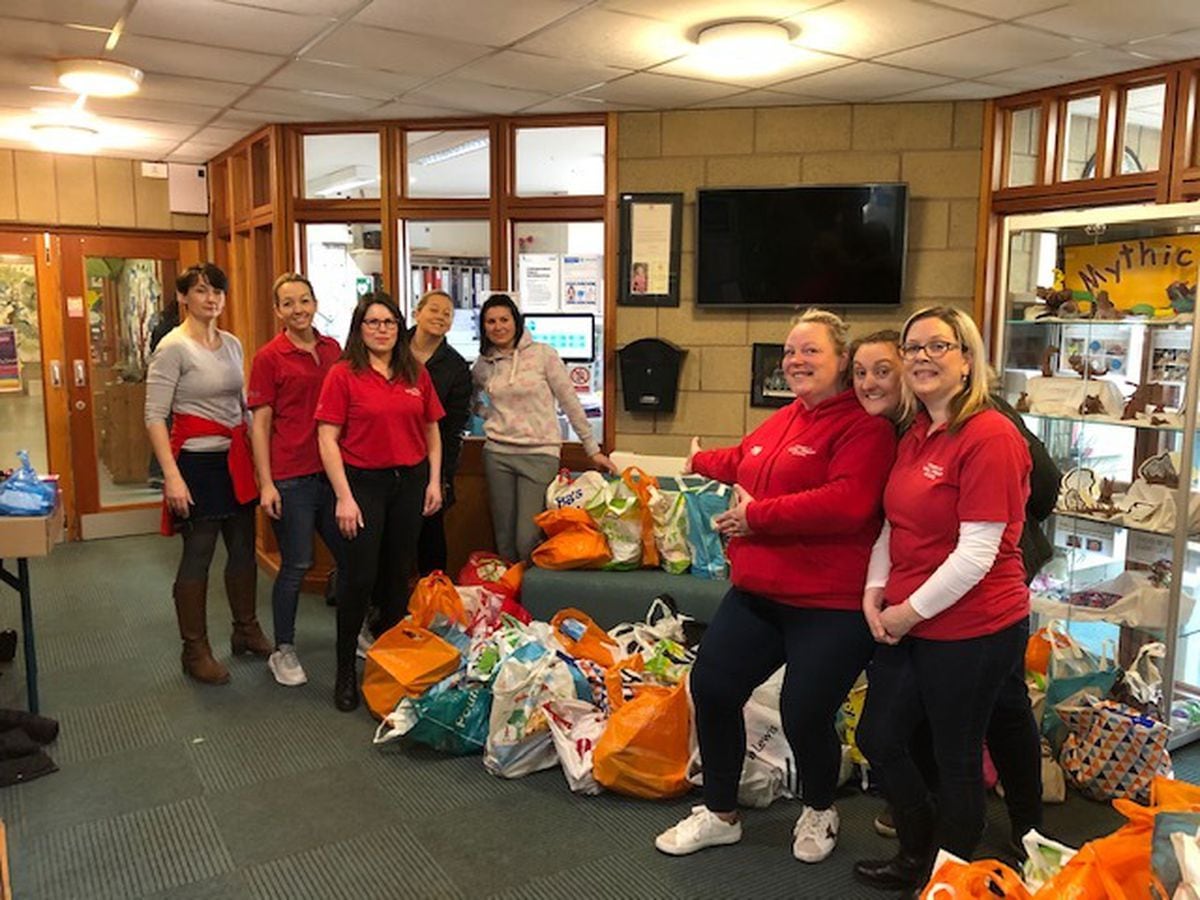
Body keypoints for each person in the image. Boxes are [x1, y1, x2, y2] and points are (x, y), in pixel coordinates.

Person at [654, 308, 897, 862]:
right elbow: (746, 458)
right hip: (758, 595)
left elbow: (848, 502)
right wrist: (698, 459)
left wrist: (759, 517)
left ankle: (818, 809)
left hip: (829, 604)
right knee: (712, 688)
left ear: (842, 361)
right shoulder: (785, 418)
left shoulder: (866, 426)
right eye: (790, 352)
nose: (795, 360)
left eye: (810, 350)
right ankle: (719, 813)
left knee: (804, 710)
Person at [853, 306, 1035, 892]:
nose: (922, 357)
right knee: (878, 737)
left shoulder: (990, 435)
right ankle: (918, 853)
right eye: (912, 348)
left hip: (975, 624)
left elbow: (978, 553)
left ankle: (949, 876)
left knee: (957, 756)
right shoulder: (916, 432)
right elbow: (893, 526)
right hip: (909, 616)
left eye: (938, 346)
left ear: (966, 359)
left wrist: (904, 614)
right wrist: (874, 593)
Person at [316, 292, 444, 712]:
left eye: (389, 322)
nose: (382, 329)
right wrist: (344, 498)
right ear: (359, 328)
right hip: (361, 486)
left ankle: (387, 671)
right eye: (373, 322)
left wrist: (433, 482)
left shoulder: (414, 372)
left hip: (408, 484)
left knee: (396, 580)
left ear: (398, 327)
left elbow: (431, 431)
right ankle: (345, 673)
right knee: (358, 579)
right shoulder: (343, 374)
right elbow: (327, 438)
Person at [145, 263, 270, 685]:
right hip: (195, 463)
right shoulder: (173, 347)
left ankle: (246, 630)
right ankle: (194, 650)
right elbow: (155, 416)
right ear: (184, 298)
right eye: (201, 291)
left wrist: (256, 458)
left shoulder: (232, 343)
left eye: (217, 290)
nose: (211, 298)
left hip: (233, 459)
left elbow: (241, 406)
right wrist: (172, 477)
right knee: (198, 553)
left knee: (241, 549)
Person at [247, 273, 343, 687]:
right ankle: (283, 649)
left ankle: (354, 629)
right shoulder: (269, 357)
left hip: (333, 474)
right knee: (297, 563)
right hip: (291, 474)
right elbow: (260, 422)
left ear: (315, 302)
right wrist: (266, 483)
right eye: (289, 303)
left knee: (353, 556)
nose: (298, 309)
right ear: (278, 311)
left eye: (304, 300)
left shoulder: (334, 349)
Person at [472, 293, 615, 563]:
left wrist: (592, 449)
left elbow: (569, 400)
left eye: (504, 319)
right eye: (491, 321)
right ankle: (510, 599)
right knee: (503, 537)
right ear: (484, 327)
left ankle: (531, 596)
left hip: (539, 454)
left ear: (517, 321)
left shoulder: (543, 355)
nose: (498, 326)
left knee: (527, 538)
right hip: (497, 454)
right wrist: (490, 413)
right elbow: (468, 400)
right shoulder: (483, 364)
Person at [408, 290, 472, 574]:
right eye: (433, 309)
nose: (440, 317)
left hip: (428, 463)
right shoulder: (390, 348)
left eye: (447, 314)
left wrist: (443, 476)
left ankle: (432, 603)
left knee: (430, 539)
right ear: (417, 312)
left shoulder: (456, 366)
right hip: (384, 458)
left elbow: (453, 428)